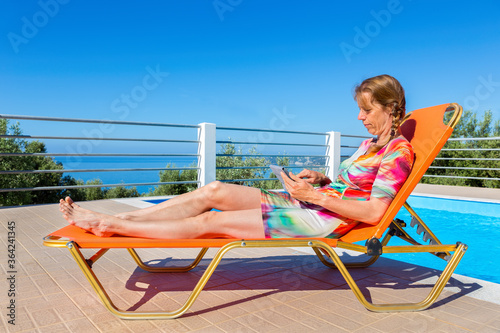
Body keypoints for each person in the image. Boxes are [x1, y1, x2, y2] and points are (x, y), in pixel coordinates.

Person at [59, 74, 414, 240]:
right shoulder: (369, 146)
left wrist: (316, 196)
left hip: (325, 219)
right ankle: (116, 217)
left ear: (390, 108)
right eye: (359, 109)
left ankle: (111, 226)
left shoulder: (398, 151)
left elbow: (373, 211)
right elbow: (352, 186)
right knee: (213, 191)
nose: (359, 117)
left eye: (367, 110)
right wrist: (321, 181)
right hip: (314, 202)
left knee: (210, 223)